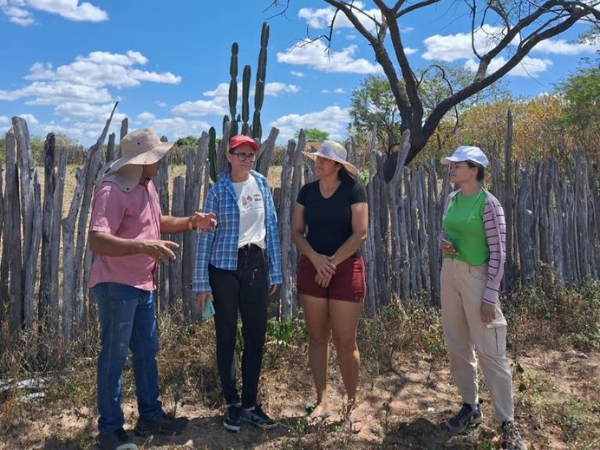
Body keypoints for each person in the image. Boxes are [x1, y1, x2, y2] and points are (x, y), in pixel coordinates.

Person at [88, 128, 217, 450]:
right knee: (114, 357)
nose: (160, 160)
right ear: (141, 160)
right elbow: (97, 240)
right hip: (117, 284)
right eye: (155, 156)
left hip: (141, 283)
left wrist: (191, 222)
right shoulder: (112, 189)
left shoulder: (144, 185)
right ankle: (109, 430)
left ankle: (150, 417)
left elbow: (157, 222)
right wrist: (142, 246)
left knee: (146, 352)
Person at [192, 134, 282, 432]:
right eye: (240, 154)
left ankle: (250, 403)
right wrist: (201, 282)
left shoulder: (261, 184)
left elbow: (271, 227)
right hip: (225, 268)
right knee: (226, 336)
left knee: (256, 336)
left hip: (255, 264)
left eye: (250, 155)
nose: (246, 159)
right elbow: (205, 236)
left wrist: (276, 270)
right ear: (228, 157)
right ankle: (231, 403)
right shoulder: (218, 191)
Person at [439, 146, 526, 450]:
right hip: (450, 274)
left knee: (490, 350)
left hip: (477, 278)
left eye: (457, 165)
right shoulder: (452, 199)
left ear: (474, 169)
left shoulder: (489, 205)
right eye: (451, 165)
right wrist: (443, 243)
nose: (451, 169)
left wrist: (490, 295)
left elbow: (499, 254)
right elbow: (445, 231)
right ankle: (470, 406)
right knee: (457, 344)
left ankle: (507, 422)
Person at [291, 140, 368, 433]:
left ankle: (352, 403)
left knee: (346, 341)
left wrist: (331, 263)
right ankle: (322, 400)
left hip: (345, 267)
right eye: (317, 158)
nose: (318, 163)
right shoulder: (307, 191)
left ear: (338, 166)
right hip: (312, 266)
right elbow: (296, 232)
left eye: (325, 159)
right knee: (317, 336)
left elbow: (360, 233)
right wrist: (315, 258)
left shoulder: (353, 190)